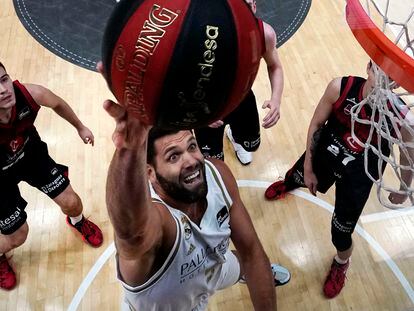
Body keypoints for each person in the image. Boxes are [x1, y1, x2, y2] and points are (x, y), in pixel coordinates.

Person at [102, 64, 290, 309]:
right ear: (150, 173)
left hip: (214, 268)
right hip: (177, 304)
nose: (191, 160)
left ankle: (240, 274)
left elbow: (252, 252)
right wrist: (128, 150)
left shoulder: (217, 174)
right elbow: (130, 232)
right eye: (173, 156)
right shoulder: (156, 222)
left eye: (192, 146)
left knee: (242, 263)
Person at [264, 61, 414, 298]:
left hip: (359, 175)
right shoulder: (340, 88)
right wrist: (308, 166)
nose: (382, 85)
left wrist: (405, 188)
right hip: (328, 150)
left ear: (397, 84)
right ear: (369, 68)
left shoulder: (401, 118)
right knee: (300, 175)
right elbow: (316, 124)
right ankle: (291, 182)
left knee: (340, 232)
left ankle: (342, 262)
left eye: (390, 81)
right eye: (379, 75)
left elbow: (409, 156)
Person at [0, 62, 103, 290]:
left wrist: (80, 126)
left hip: (31, 157)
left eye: (4, 79)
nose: (3, 89)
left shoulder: (29, 94)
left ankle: (77, 223)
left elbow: (56, 103)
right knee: (17, 236)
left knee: (72, 203)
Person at [194, 0, 284, 165]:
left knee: (250, 144)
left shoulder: (265, 34)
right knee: (213, 161)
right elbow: (184, 78)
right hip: (208, 106)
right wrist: (199, 112)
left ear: (254, 6)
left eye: (248, 5)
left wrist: (276, 99)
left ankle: (235, 138)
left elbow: (275, 66)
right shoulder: (202, 33)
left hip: (242, 100)